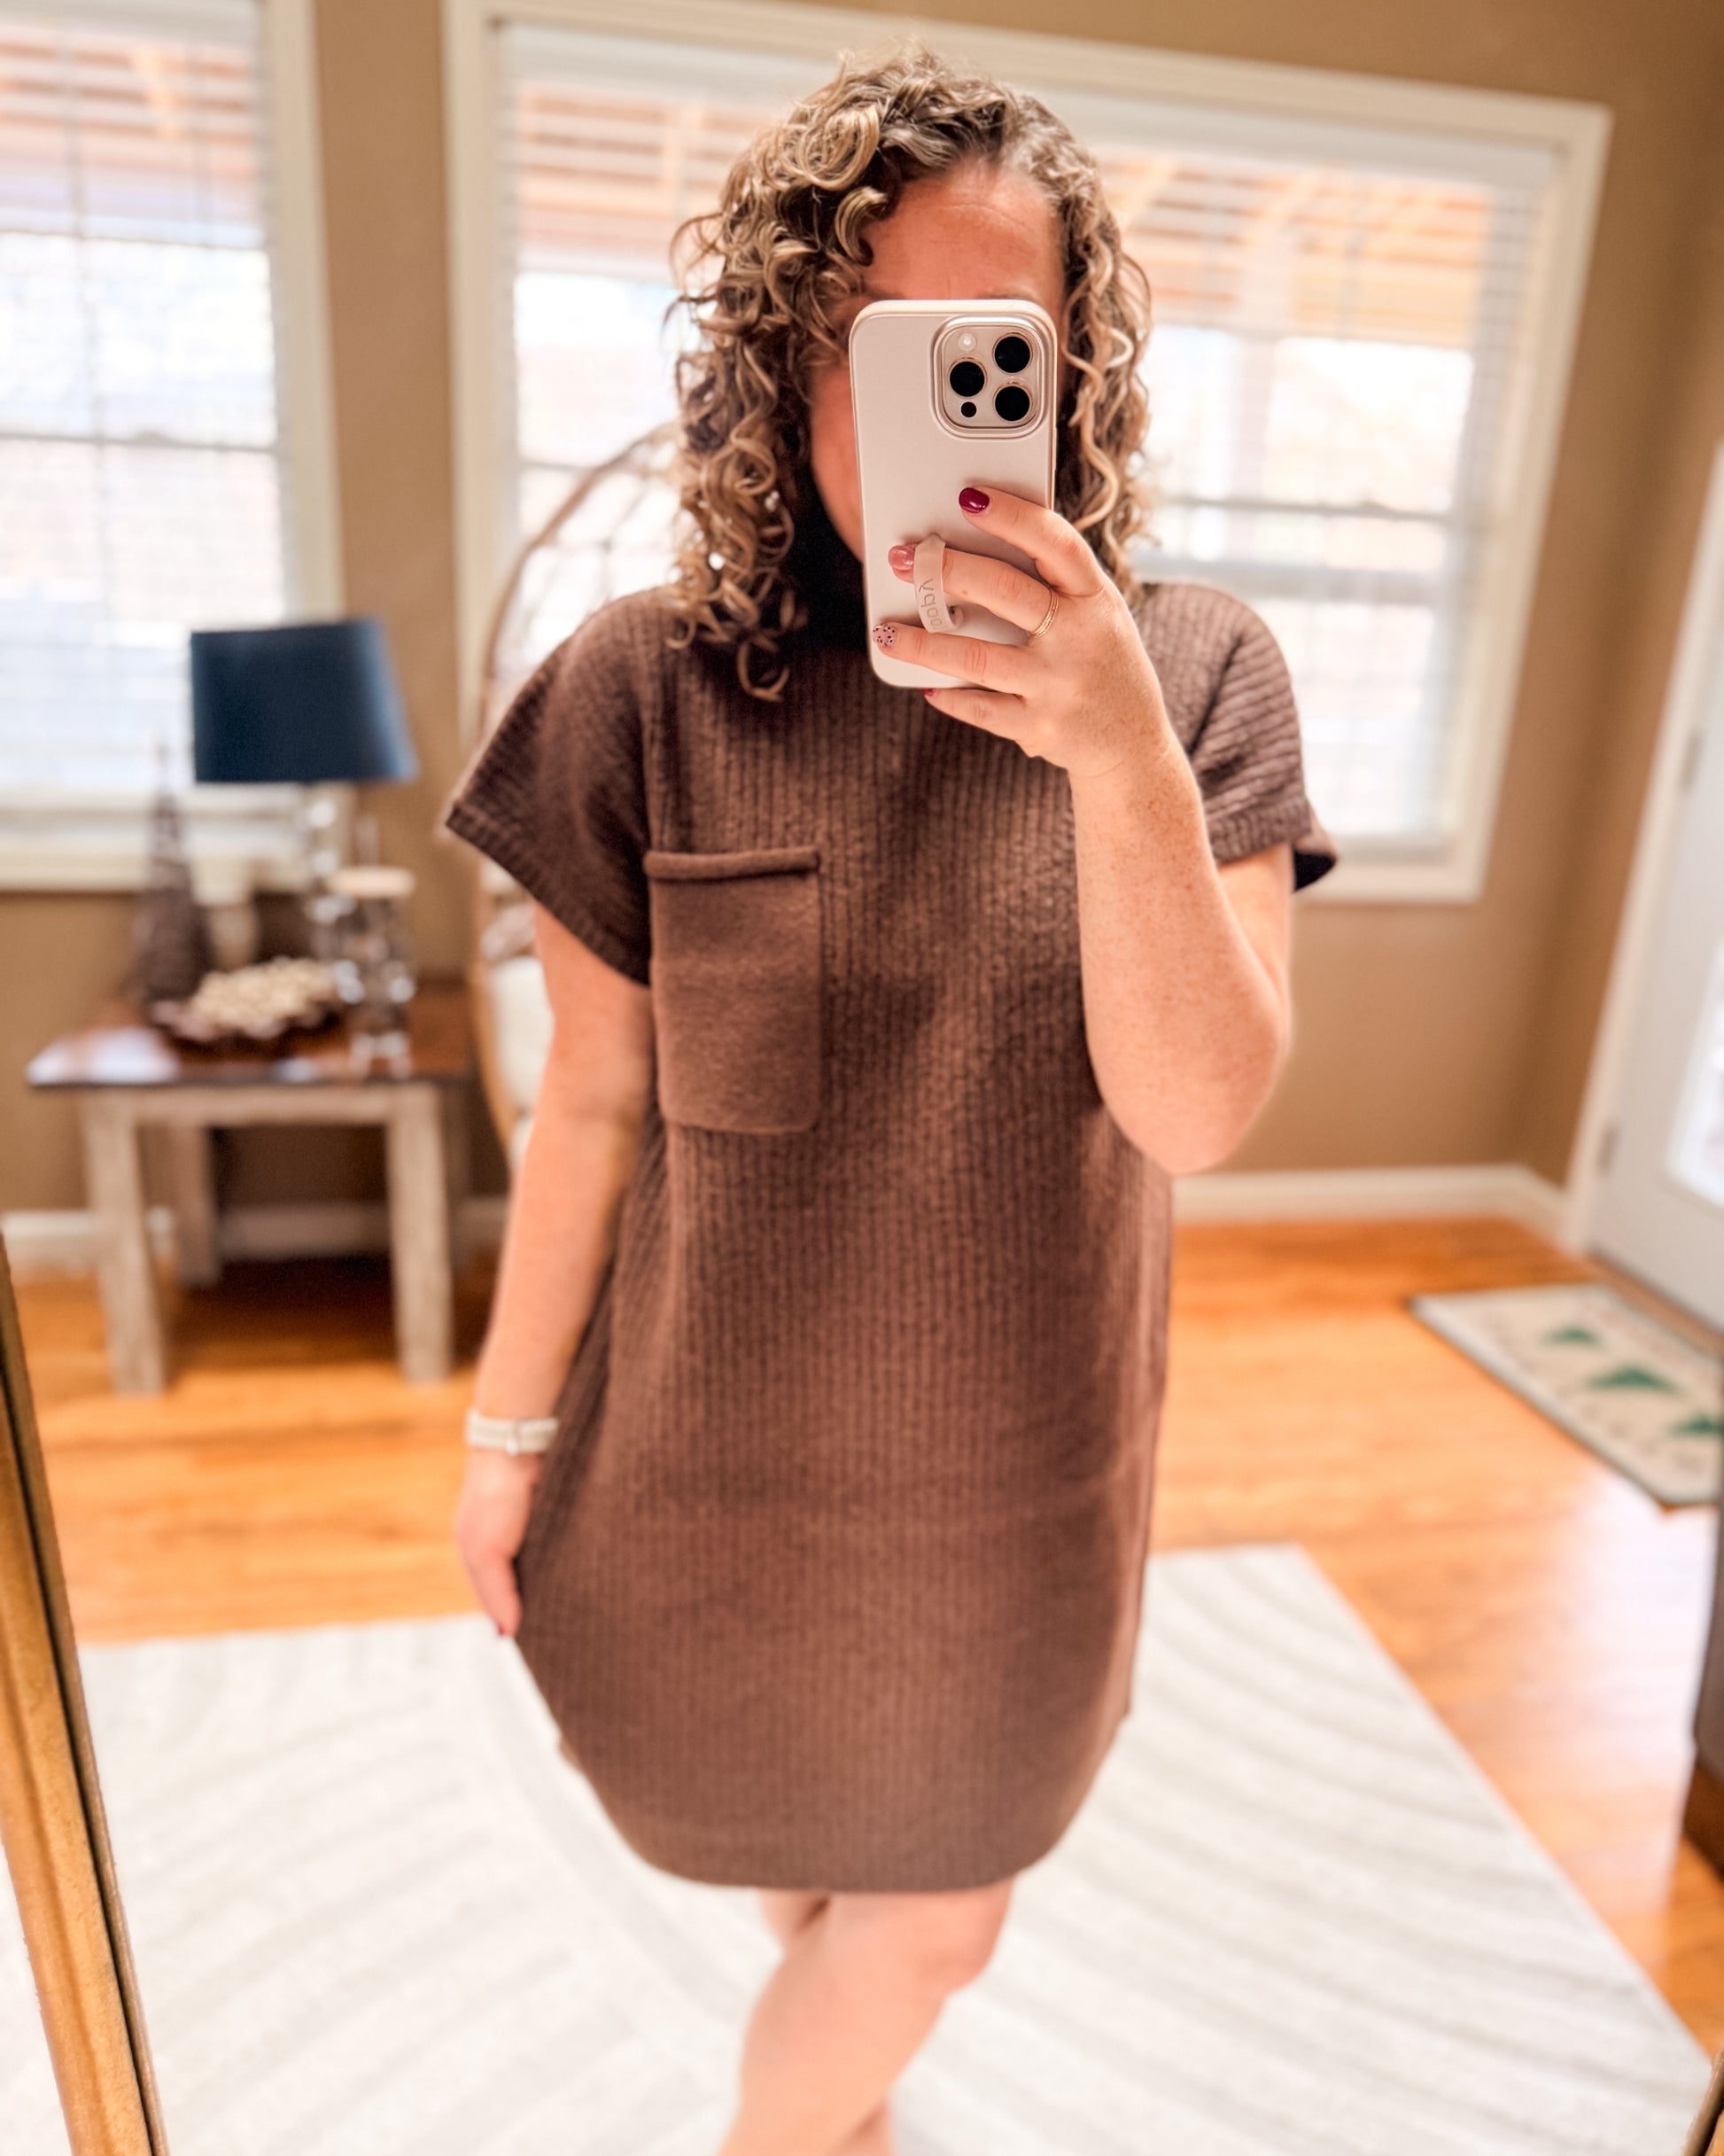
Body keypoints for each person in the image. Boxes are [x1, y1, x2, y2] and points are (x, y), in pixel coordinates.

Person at [440, 42, 1336, 2156]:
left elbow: (1197, 1111)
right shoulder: (635, 690)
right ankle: (837, 2118)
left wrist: (1110, 750)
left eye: (987, 351)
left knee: (934, 1916)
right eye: (875, 352)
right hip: (703, 1478)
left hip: (1011, 1503)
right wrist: (502, 1441)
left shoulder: (1198, 674)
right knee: (808, 1870)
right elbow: (588, 1110)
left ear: (1068, 373)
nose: (929, 418)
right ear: (775, 374)